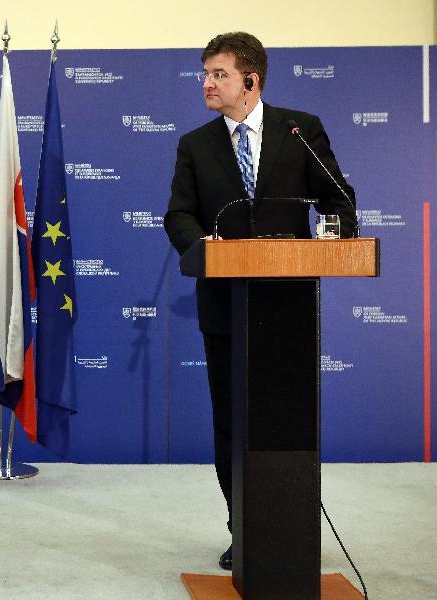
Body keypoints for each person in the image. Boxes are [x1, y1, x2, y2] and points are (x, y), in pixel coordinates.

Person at [164, 32, 357, 570]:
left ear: (251, 80)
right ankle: (243, 528)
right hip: (224, 306)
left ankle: (287, 531)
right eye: (205, 74)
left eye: (218, 74)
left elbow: (338, 199)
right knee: (232, 422)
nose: (207, 83)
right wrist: (203, 245)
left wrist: (338, 232)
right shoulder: (195, 144)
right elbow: (178, 215)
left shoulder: (300, 130)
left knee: (285, 421)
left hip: (287, 308)